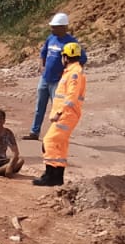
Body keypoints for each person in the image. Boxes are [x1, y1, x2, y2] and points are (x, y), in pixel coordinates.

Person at [32, 41, 86, 187]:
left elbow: (71, 97)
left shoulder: (74, 74)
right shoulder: (73, 71)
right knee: (60, 145)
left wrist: (59, 113)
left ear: (66, 57)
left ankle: (50, 175)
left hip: (66, 115)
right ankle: (57, 177)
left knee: (49, 141)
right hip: (68, 114)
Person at [27, 12, 87, 140]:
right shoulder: (50, 38)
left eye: (55, 26)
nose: (52, 29)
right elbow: (43, 54)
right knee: (39, 107)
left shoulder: (71, 42)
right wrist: (41, 66)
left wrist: (69, 72)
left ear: (63, 27)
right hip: (45, 78)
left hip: (58, 82)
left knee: (59, 109)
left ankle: (57, 134)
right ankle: (34, 132)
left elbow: (82, 59)